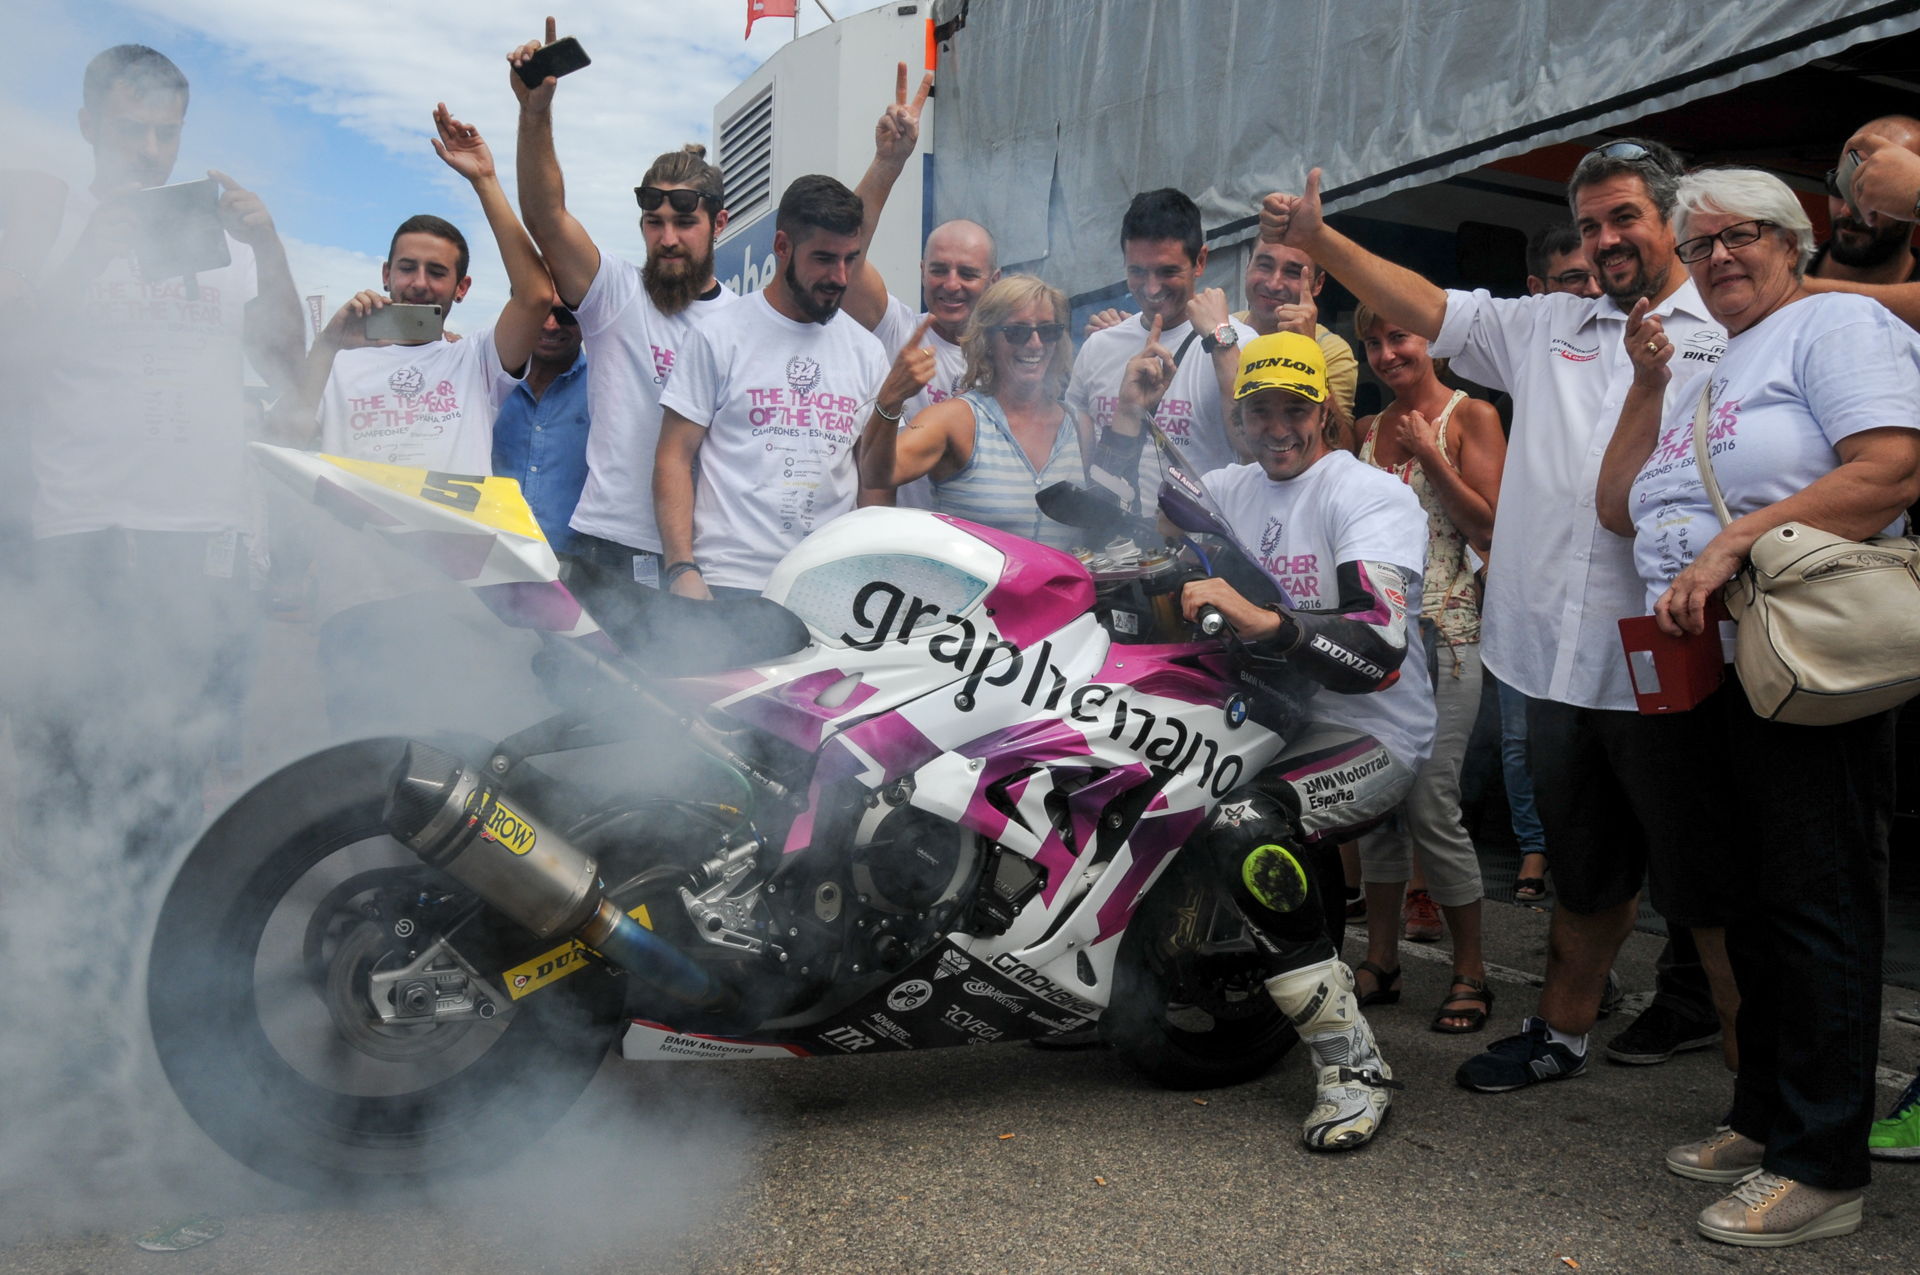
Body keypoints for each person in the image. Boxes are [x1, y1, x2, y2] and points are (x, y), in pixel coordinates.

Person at [1258, 138, 1738, 1093]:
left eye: (1624, 218)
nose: (1604, 240)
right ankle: (1560, 1033)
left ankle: (1762, 1094)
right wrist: (1322, 238)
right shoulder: (1546, 323)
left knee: (1710, 889)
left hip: (1669, 655)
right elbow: (1426, 306)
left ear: (1674, 218)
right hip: (1548, 661)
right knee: (1583, 867)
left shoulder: (1727, 327)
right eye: (1591, 222)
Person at [1595, 166, 1920, 1248]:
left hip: (1805, 662)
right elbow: (1625, 506)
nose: (1718, 258)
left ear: (1793, 240)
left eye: (1741, 237)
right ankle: (1769, 1112)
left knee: (1820, 899)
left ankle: (1823, 1166)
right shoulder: (1722, 361)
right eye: (1701, 247)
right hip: (1718, 667)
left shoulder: (1835, 323)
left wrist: (1734, 541)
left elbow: (1889, 469)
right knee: (1757, 899)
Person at [22, 44, 302, 862]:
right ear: (86, 126)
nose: (151, 153)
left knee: (179, 778)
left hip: (202, 541)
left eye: (166, 135)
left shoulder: (218, 240)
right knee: (69, 775)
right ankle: (66, 967)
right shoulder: (53, 218)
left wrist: (270, 243)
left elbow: (288, 366)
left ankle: (152, 953)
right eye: (131, 132)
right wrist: (88, 256)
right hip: (85, 533)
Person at [1173, 331, 1432, 1149]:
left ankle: (1351, 1063)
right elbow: (1127, 512)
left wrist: (1269, 622)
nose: (1278, 427)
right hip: (1270, 722)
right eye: (1261, 411)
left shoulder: (1369, 495)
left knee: (1244, 825)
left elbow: (1377, 651)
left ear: (1324, 409)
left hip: (1371, 730)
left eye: (1296, 408)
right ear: (1239, 417)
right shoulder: (1226, 487)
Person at [512, 18, 740, 588]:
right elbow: (546, 217)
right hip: (607, 549)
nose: (667, 238)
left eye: (685, 223)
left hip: (699, 556)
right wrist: (535, 114)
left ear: (720, 225)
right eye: (654, 222)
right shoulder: (615, 294)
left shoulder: (742, 323)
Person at [1349, 301, 1506, 1032]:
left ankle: (1472, 970)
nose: (1386, 353)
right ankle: (1381, 963)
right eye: (1374, 342)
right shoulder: (1364, 432)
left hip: (1448, 633)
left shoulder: (1470, 415)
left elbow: (1488, 526)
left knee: (1432, 803)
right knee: (1374, 806)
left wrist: (1430, 451)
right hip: (1378, 645)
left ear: (1432, 341)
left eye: (1399, 336)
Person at [274, 104, 552, 467]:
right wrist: (327, 346)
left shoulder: (475, 359)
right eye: (407, 268)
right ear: (386, 274)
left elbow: (536, 295)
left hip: (450, 525)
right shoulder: (337, 362)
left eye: (437, 272)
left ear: (462, 287)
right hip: (354, 526)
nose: (420, 283)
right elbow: (279, 440)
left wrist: (484, 181)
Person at [654, 175, 889, 598]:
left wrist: (869, 574)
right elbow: (674, 456)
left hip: (829, 586)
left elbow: (873, 479)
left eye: (850, 259)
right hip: (730, 581)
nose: (839, 276)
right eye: (823, 258)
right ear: (782, 247)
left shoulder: (868, 352)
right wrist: (681, 568)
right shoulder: (718, 335)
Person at [855, 275, 1083, 547]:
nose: (1035, 344)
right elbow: (878, 475)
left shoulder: (1079, 426)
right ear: (988, 340)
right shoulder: (956, 420)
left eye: (1048, 331)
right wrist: (890, 399)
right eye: (1017, 332)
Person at [1067, 189, 1257, 513]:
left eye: (1168, 271)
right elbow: (1073, 456)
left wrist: (1219, 340)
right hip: (1113, 545)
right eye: (1137, 271)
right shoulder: (1098, 346)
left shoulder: (1241, 343)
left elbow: (1251, 448)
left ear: (1200, 261)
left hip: (1201, 552)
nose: (1151, 287)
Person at [492, 305, 590, 553]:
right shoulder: (482, 376)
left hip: (576, 567)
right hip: (488, 553)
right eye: (539, 309)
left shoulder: (606, 385)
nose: (550, 324)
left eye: (565, 314)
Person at [1236, 239, 1360, 417]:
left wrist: (1308, 351)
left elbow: (1341, 442)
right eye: (1264, 266)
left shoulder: (1330, 350)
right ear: (1248, 266)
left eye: (1293, 273)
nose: (1274, 284)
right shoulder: (1222, 327)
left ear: (1318, 284)